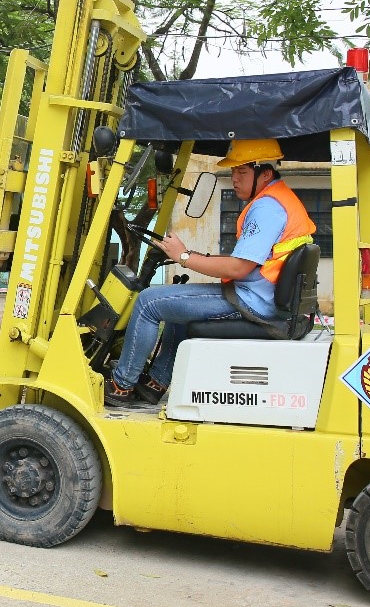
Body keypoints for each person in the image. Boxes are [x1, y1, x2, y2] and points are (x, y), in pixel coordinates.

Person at [106, 138, 315, 408]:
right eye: (233, 172)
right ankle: (155, 383)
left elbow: (239, 268)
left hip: (254, 304)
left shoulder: (267, 208)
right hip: (262, 297)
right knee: (176, 303)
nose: (235, 179)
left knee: (149, 302)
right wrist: (193, 257)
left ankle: (121, 385)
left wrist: (184, 257)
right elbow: (250, 261)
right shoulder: (279, 199)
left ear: (265, 173)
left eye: (242, 172)